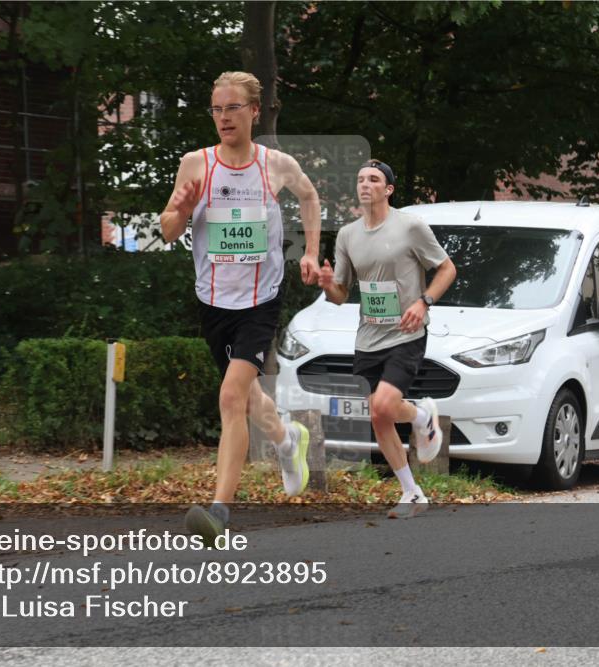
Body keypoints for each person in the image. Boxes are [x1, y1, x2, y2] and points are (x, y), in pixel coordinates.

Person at [159, 71, 322, 544]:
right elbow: (168, 230)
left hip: (260, 301)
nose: (224, 117)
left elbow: (310, 197)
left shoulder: (276, 165)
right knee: (249, 399)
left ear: (254, 111)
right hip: (213, 302)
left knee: (232, 397)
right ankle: (288, 439)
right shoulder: (196, 164)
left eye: (233, 108)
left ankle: (219, 512)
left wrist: (309, 252)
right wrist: (183, 211)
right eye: (216, 108)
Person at [317, 159, 456, 519]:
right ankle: (412, 493)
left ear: (388, 189)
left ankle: (422, 416)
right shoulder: (348, 234)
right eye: (360, 179)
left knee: (382, 406)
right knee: (379, 418)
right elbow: (341, 293)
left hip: (406, 333)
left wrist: (423, 302)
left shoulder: (410, 226)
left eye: (374, 179)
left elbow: (446, 268)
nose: (365, 184)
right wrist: (326, 282)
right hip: (368, 337)